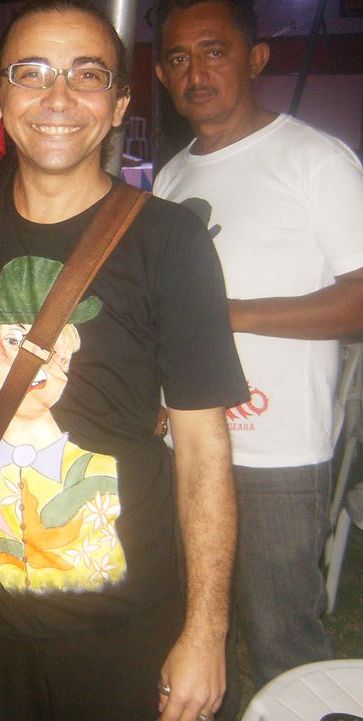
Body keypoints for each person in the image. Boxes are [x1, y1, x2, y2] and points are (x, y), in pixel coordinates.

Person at [0, 2, 249, 720]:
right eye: (31, 73)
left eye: (87, 75)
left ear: (119, 104)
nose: (58, 97)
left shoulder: (170, 242)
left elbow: (203, 450)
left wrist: (206, 630)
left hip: (124, 626)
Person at [153, 0, 363, 693]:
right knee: (197, 631)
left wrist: (229, 315)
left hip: (277, 453)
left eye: (214, 51)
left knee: (283, 641)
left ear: (256, 58)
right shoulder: (170, 178)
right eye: (178, 58)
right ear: (161, 74)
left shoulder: (314, 160)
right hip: (187, 446)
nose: (196, 72)